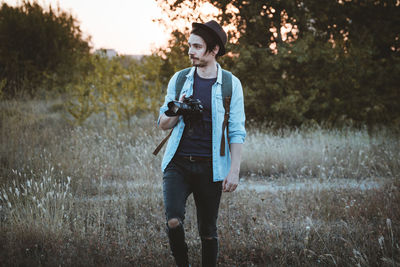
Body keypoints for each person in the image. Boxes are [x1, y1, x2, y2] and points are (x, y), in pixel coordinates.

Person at [156, 20, 246, 267]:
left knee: (208, 231)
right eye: (189, 45)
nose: (190, 51)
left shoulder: (230, 84)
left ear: (214, 49)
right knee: (173, 220)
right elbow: (163, 123)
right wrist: (178, 108)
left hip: (211, 167)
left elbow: (237, 131)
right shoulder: (179, 79)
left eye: (197, 46)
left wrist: (234, 171)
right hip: (178, 163)